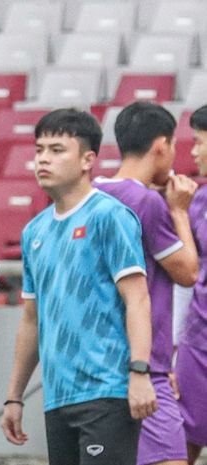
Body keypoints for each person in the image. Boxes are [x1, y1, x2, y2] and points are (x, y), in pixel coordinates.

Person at [1, 109, 157, 465]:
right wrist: (14, 396)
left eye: (57, 149)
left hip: (107, 392)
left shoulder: (110, 216)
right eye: (39, 149)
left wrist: (139, 372)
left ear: (88, 159)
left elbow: (138, 299)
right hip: (58, 398)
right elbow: (31, 319)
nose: (43, 158)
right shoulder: (34, 232)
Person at [93, 101, 196, 465]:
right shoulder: (146, 201)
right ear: (161, 145)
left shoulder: (90, 194)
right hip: (142, 365)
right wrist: (180, 212)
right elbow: (188, 271)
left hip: (98, 364)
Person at [175, 104, 207, 465]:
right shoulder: (197, 201)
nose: (194, 151)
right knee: (178, 444)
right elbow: (186, 270)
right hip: (198, 341)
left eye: (199, 142)